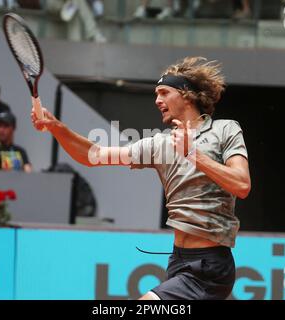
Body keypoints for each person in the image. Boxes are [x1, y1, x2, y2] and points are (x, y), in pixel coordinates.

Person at [32, 56, 251, 300]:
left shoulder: (225, 130)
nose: (157, 100)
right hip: (178, 261)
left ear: (187, 94)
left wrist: (193, 155)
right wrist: (57, 128)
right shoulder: (159, 144)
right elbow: (94, 155)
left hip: (210, 266)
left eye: (164, 92)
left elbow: (241, 185)